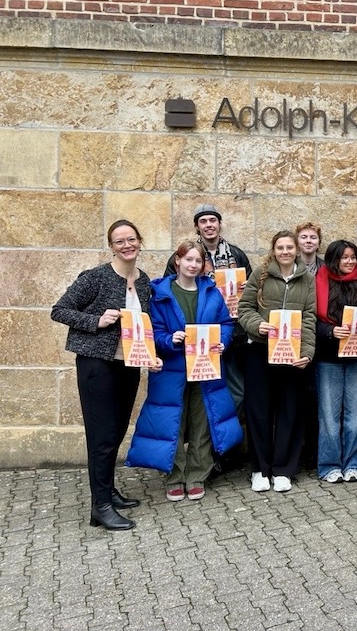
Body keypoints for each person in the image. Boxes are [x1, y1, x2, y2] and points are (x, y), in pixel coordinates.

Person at [51, 219, 156, 531]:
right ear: (112, 246)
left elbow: (145, 325)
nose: (127, 245)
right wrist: (96, 320)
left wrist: (151, 356)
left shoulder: (144, 281)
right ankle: (100, 507)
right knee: (101, 436)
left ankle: (108, 490)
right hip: (97, 365)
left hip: (129, 363)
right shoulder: (95, 278)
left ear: (139, 241)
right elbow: (59, 310)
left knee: (117, 429)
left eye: (131, 239)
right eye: (119, 241)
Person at [126, 241, 243, 502]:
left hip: (206, 368)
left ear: (203, 265)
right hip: (171, 369)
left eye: (198, 261)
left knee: (202, 424)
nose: (193, 265)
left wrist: (223, 341)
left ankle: (197, 475)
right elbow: (152, 331)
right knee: (173, 424)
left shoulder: (212, 292)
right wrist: (169, 340)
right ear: (177, 261)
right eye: (188, 259)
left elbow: (226, 323)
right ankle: (175, 477)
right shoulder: (161, 293)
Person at [238, 230, 316, 493]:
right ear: (274, 249)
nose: (285, 252)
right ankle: (260, 469)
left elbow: (309, 317)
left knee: (290, 410)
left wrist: (307, 351)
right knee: (259, 411)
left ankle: (283, 469)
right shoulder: (260, 274)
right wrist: (258, 326)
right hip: (260, 351)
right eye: (280, 247)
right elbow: (244, 308)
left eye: (289, 248)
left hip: (292, 353)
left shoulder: (307, 279)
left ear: (296, 250)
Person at [165, 204, 252, 431]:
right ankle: (206, 449)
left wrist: (246, 287)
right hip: (195, 337)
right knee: (196, 396)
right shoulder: (186, 255)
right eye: (203, 221)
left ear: (219, 224)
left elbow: (253, 292)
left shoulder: (236, 254)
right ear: (197, 226)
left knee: (236, 393)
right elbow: (170, 290)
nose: (209, 225)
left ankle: (223, 445)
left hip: (230, 335)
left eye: (213, 220)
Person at [314, 240, 357, 483]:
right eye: (345, 257)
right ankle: (329, 465)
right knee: (329, 415)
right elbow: (309, 320)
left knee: (356, 413)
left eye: (353, 257)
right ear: (334, 259)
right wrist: (329, 332)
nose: (350, 262)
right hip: (328, 357)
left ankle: (353, 462)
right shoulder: (319, 281)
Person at [294, 221, 325, 468]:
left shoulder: (325, 268)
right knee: (298, 396)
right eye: (304, 237)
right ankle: (299, 450)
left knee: (317, 396)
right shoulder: (290, 267)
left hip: (321, 337)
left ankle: (316, 451)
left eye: (312, 237)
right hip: (294, 338)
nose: (308, 241)